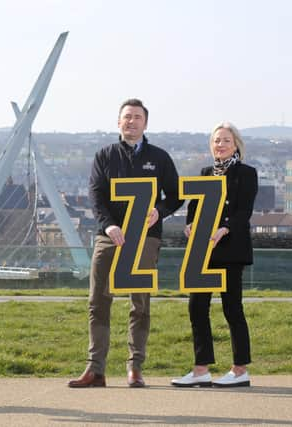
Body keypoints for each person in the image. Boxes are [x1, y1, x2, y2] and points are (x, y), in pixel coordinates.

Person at [68, 99, 182, 388]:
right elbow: (96, 196)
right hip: (109, 236)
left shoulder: (160, 157)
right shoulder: (104, 156)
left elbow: (176, 195)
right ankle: (96, 369)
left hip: (146, 237)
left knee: (140, 303)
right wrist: (109, 224)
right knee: (98, 301)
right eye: (126, 117)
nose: (131, 122)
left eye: (137, 117)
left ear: (146, 123)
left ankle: (135, 367)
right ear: (118, 122)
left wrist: (161, 211)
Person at [171, 122, 257, 388]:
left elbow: (244, 212)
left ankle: (239, 369)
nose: (220, 144)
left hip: (230, 249)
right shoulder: (205, 172)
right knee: (197, 307)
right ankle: (201, 369)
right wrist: (189, 224)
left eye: (226, 140)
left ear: (236, 145)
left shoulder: (247, 173)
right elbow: (194, 207)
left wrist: (225, 228)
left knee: (233, 308)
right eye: (216, 140)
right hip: (203, 250)